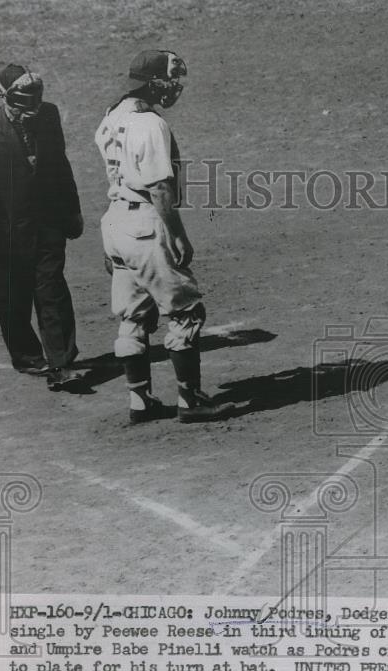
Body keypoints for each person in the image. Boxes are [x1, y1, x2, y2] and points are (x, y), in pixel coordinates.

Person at [94, 50, 233, 424]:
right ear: (154, 83)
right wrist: (178, 235)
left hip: (115, 223)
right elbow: (158, 188)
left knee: (133, 315)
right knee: (186, 311)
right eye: (170, 81)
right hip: (146, 224)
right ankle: (191, 400)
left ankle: (140, 402)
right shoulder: (150, 124)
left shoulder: (111, 117)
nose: (174, 89)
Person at [0, 64, 84, 390]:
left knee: (52, 290)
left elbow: (60, 165)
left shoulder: (49, 115)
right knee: (13, 297)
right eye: (22, 103)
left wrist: (73, 212)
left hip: (48, 223)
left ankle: (61, 363)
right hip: (6, 232)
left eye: (35, 101)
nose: (30, 109)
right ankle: (28, 357)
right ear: (3, 95)